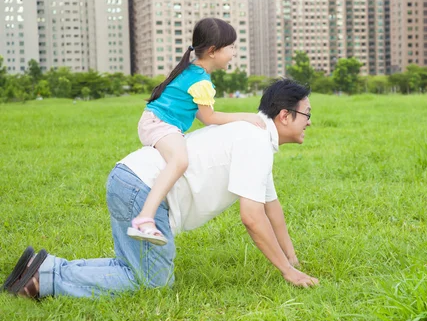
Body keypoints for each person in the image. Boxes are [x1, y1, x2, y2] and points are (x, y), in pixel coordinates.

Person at [2, 79, 318, 299]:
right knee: (151, 284)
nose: (309, 122)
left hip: (130, 178)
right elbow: (252, 217)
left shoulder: (252, 136)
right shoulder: (256, 141)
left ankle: (45, 269)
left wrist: (292, 259)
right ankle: (45, 278)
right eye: (307, 114)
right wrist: (287, 273)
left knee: (133, 270)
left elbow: (270, 208)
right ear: (285, 115)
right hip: (143, 188)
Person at [132, 18, 265, 246]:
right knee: (179, 161)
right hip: (158, 124)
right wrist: (247, 116)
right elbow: (210, 117)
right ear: (213, 51)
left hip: (158, 122)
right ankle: (144, 218)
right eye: (231, 46)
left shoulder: (194, 72)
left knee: (180, 160)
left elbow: (204, 118)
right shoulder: (200, 80)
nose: (234, 52)